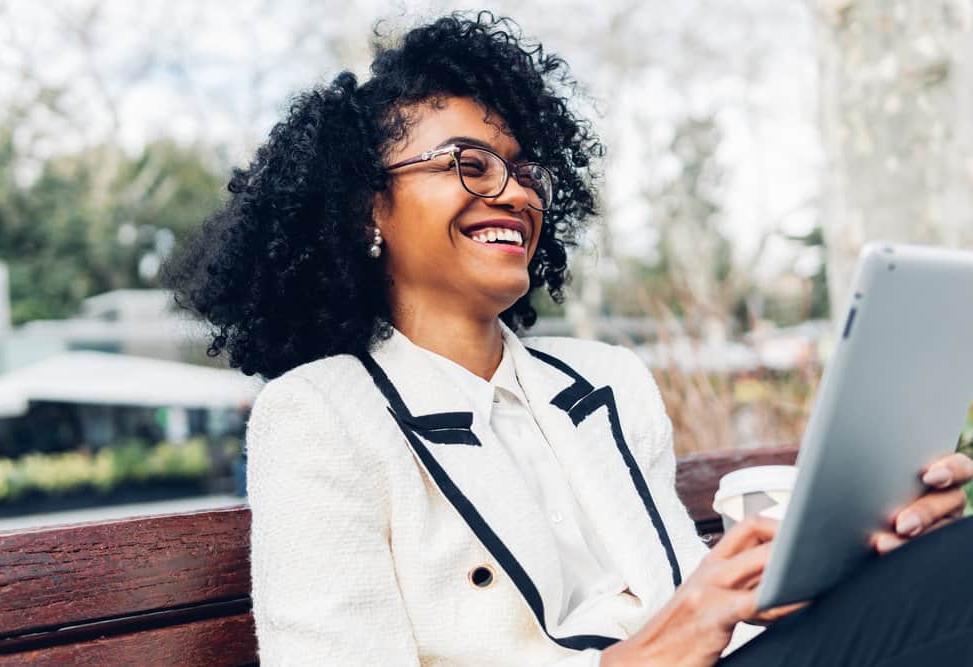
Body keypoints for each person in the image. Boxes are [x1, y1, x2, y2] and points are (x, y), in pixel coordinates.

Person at [162, 12, 973, 666]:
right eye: (468, 163)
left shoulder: (606, 380)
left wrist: (863, 552)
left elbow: (695, 603)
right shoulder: (318, 416)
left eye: (521, 169)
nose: (512, 192)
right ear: (366, 206)